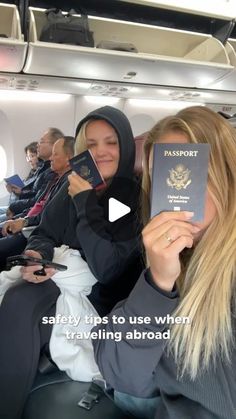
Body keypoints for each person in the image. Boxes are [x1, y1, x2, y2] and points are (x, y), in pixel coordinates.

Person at [92, 106, 236, 419]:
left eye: (191, 173)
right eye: (164, 180)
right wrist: (157, 282)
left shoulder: (122, 197)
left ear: (225, 174)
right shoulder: (171, 258)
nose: (178, 193)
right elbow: (122, 373)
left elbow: (106, 262)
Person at [0, 106, 143, 419]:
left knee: (19, 301)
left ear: (126, 146)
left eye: (111, 142)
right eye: (91, 145)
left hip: (97, 298)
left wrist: (85, 201)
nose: (101, 152)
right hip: (57, 279)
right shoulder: (71, 183)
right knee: (19, 295)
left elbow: (106, 267)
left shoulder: (127, 196)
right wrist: (38, 255)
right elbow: (45, 232)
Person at [0, 136, 75, 271]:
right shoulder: (56, 179)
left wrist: (24, 222)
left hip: (35, 233)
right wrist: (23, 220)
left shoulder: (69, 185)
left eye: (55, 154)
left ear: (69, 159)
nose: (51, 158)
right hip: (32, 226)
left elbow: (48, 219)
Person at [0, 141, 40, 221]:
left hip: (20, 209)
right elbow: (21, 192)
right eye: (28, 157)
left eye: (32, 156)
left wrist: (20, 192)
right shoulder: (31, 174)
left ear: (39, 156)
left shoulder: (40, 176)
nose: (29, 160)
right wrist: (12, 190)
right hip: (15, 205)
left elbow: (31, 197)